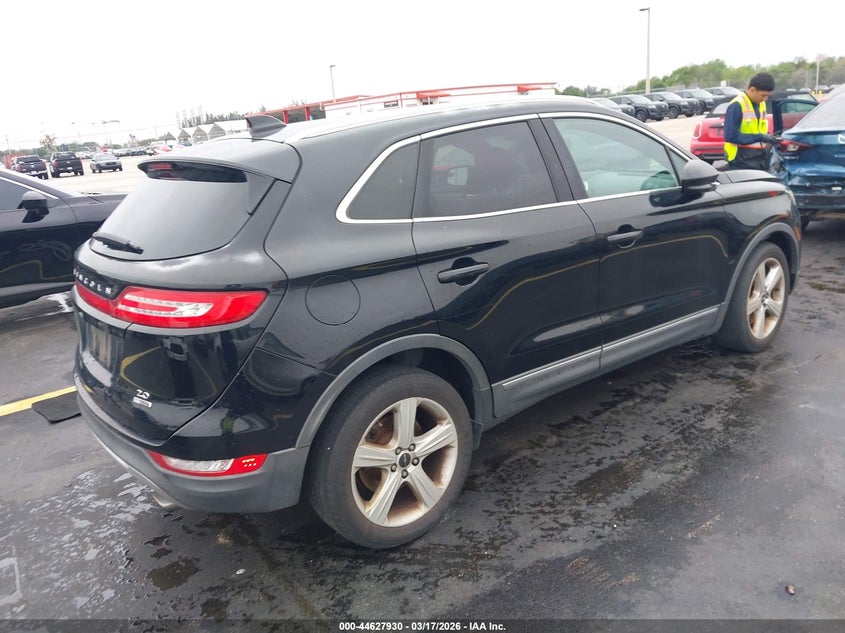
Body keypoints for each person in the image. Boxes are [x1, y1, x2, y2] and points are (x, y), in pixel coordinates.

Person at [723, 72, 779, 170]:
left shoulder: (761, 104)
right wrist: (760, 137)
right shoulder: (737, 105)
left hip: (759, 159)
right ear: (752, 90)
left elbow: (759, 130)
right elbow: (730, 136)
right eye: (763, 95)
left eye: (767, 96)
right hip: (741, 161)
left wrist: (769, 138)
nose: (765, 99)